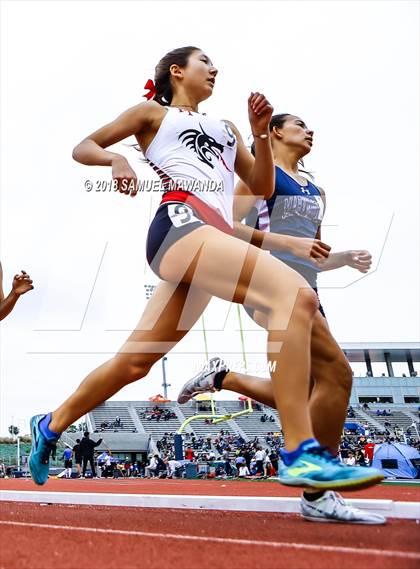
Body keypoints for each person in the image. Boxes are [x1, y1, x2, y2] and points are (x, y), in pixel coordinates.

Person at [29, 46, 382, 495]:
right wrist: (116, 159)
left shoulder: (226, 128)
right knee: (295, 295)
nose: (214, 69)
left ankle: (51, 423)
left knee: (135, 363)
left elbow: (262, 187)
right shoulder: (152, 115)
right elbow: (85, 147)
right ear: (177, 71)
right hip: (179, 227)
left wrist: (257, 136)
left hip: (212, 241)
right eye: (204, 62)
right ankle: (299, 453)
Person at [177, 112, 385, 523]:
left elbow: (315, 253)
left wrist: (343, 258)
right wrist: (276, 247)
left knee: (309, 392)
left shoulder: (317, 191)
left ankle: (221, 379)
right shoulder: (262, 179)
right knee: (338, 375)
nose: (311, 131)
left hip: (310, 293)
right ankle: (317, 491)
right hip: (270, 287)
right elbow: (224, 225)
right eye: (301, 125)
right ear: (275, 132)